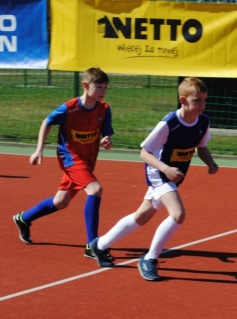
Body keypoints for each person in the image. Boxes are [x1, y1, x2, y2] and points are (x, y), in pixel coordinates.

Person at [89, 77, 219, 281]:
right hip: (159, 173)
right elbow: (145, 152)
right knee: (178, 214)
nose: (202, 105)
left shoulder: (203, 121)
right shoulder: (169, 124)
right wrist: (166, 169)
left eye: (204, 100)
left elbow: (201, 146)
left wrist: (210, 163)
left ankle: (100, 244)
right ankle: (149, 259)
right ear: (183, 100)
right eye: (197, 101)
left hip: (173, 176)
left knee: (142, 216)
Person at [13, 67, 114, 261]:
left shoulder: (104, 109)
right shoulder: (69, 108)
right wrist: (39, 149)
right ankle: (92, 245)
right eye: (99, 87)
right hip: (71, 158)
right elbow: (47, 122)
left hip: (88, 159)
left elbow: (106, 134)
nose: (102, 91)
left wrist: (107, 141)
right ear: (85, 86)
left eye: (105, 88)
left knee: (61, 202)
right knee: (95, 190)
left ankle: (24, 219)